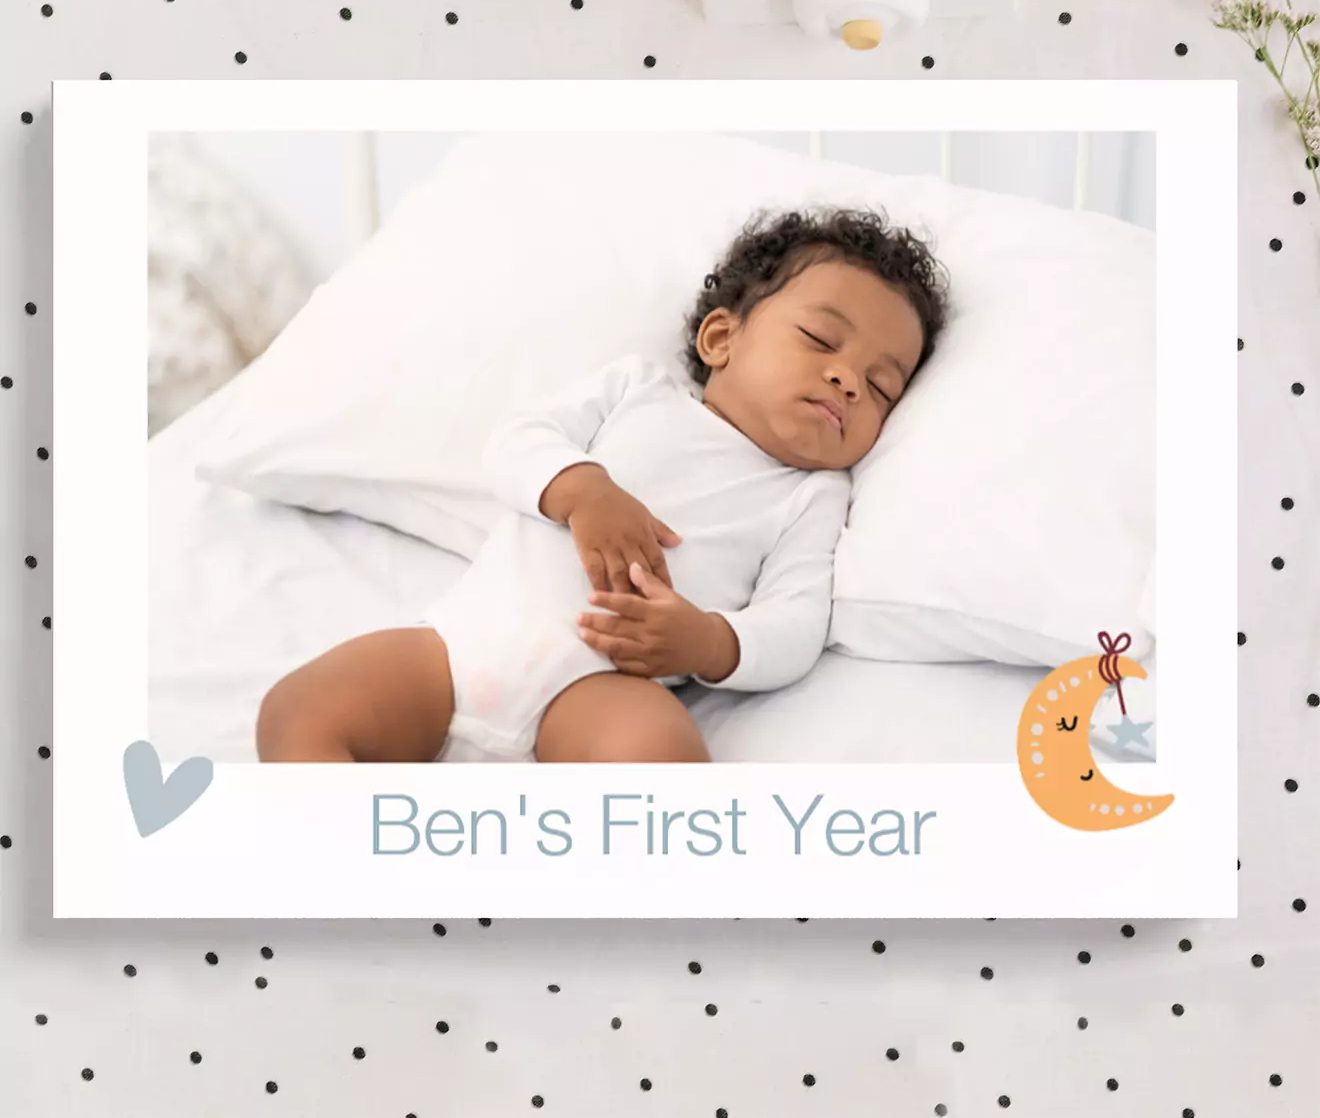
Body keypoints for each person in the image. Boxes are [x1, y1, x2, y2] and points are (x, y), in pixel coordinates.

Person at [255, 205, 950, 764]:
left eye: (881, 386)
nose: (847, 380)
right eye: (822, 341)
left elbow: (796, 621)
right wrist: (584, 490)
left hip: (604, 690)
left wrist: (707, 641)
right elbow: (515, 444)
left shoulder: (811, 495)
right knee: (298, 710)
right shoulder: (637, 391)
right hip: (460, 652)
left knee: (661, 765)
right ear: (720, 340)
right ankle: (349, 866)